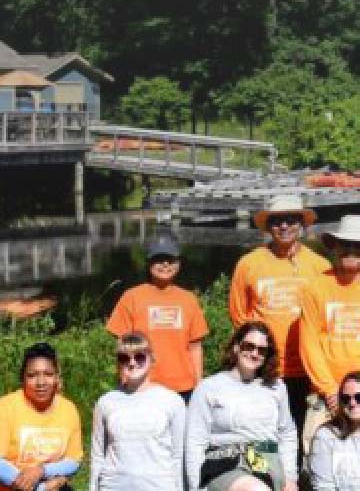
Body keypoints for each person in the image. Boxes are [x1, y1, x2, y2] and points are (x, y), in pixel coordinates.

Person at [298, 215, 360, 448]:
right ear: (335, 247)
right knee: (316, 457)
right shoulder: (316, 288)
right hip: (325, 394)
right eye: (346, 244)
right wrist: (331, 392)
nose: (351, 251)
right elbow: (309, 344)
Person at [229, 195, 331, 419]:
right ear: (268, 227)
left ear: (302, 224)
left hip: (306, 368)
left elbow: (327, 320)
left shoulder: (320, 266)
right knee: (261, 430)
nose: (284, 226)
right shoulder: (249, 264)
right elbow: (239, 316)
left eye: (291, 220)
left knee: (302, 434)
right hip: (264, 365)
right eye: (277, 221)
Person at [186, 324, 299, 491]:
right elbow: (195, 440)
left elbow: (287, 433)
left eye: (262, 350)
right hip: (224, 462)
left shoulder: (276, 388)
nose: (254, 353)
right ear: (236, 346)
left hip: (265, 461)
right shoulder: (209, 387)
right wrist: (196, 486)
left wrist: (289, 476)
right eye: (249, 346)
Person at [109, 236, 211, 399]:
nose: (165, 264)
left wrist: (199, 385)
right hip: (142, 384)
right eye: (159, 259)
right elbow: (122, 345)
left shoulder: (188, 299)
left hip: (183, 388)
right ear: (149, 263)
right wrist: (125, 379)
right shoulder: (132, 297)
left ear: (179, 264)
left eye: (170, 260)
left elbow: (195, 347)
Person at [0, 342, 83, 491]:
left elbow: (73, 461)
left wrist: (42, 471)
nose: (41, 382)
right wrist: (38, 487)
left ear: (57, 377)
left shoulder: (69, 410)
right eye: (32, 375)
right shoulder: (5, 407)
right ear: (23, 379)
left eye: (48, 374)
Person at [90, 332, 188, 491]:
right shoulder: (106, 402)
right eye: (124, 358)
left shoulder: (172, 401)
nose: (132, 363)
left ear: (152, 358)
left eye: (139, 357)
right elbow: (98, 455)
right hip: (113, 485)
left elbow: (179, 455)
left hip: (160, 485)